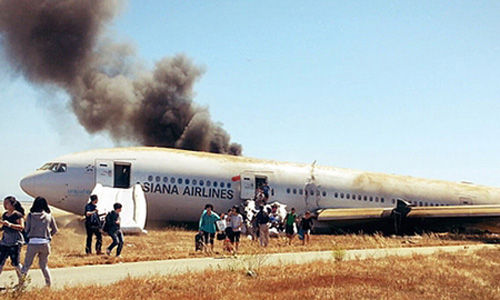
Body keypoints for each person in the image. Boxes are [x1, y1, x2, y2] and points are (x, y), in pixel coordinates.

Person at [21, 196, 58, 287]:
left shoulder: (30, 216)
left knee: (26, 266)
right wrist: (49, 236)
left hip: (33, 242)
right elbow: (55, 230)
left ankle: (21, 285)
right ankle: (48, 284)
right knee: (44, 266)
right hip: (45, 243)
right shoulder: (49, 216)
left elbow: (26, 229)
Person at [0, 196, 25, 281]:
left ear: (12, 204)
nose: (4, 205)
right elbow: (4, 227)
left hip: (15, 241)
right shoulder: (5, 215)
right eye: (4, 203)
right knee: (0, 261)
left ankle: (22, 280)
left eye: (6, 203)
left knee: (15, 263)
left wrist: (10, 225)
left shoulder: (17, 215)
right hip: (5, 240)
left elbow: (21, 227)